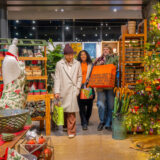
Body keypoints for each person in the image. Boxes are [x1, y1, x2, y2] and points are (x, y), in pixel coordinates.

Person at [54, 44, 82, 138]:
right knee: (64, 110)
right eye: (68, 55)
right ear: (64, 55)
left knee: (71, 111)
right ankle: (66, 127)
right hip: (63, 89)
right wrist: (57, 91)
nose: (70, 57)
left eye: (72, 54)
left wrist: (78, 88)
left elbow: (80, 76)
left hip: (73, 90)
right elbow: (57, 78)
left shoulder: (77, 63)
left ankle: (72, 131)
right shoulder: (59, 64)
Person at [94, 44, 118, 131]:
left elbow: (117, 66)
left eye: (107, 49)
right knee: (101, 105)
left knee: (111, 105)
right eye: (104, 49)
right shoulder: (99, 59)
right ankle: (102, 121)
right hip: (100, 86)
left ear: (110, 50)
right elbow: (94, 70)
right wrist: (98, 64)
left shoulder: (114, 58)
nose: (105, 51)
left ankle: (108, 123)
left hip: (111, 85)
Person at [77, 50, 95, 130]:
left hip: (89, 86)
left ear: (87, 55)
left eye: (84, 54)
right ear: (79, 57)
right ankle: (84, 122)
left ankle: (86, 120)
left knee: (89, 105)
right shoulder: (77, 64)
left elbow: (94, 74)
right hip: (80, 86)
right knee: (81, 106)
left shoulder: (91, 64)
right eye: (81, 55)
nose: (83, 56)